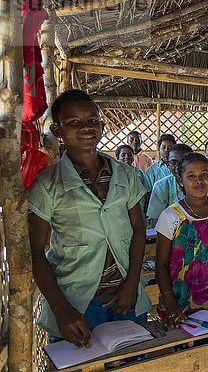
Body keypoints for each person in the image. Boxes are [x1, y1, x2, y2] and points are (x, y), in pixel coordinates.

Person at [28, 90, 151, 346]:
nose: (85, 127)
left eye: (92, 121)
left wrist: (131, 285)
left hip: (125, 298)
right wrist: (61, 309)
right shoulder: (47, 184)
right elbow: (36, 251)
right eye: (73, 122)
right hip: (76, 304)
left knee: (135, 363)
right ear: (57, 130)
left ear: (102, 125)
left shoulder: (126, 175)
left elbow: (139, 230)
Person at [154, 153, 208, 372]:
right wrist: (170, 301)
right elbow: (161, 264)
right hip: (183, 304)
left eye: (204, 174)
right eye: (191, 176)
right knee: (194, 362)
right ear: (180, 180)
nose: (199, 181)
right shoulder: (171, 217)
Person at [147, 144, 208, 223]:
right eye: (173, 162)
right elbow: (156, 220)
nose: (177, 167)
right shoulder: (161, 186)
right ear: (167, 164)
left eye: (183, 161)